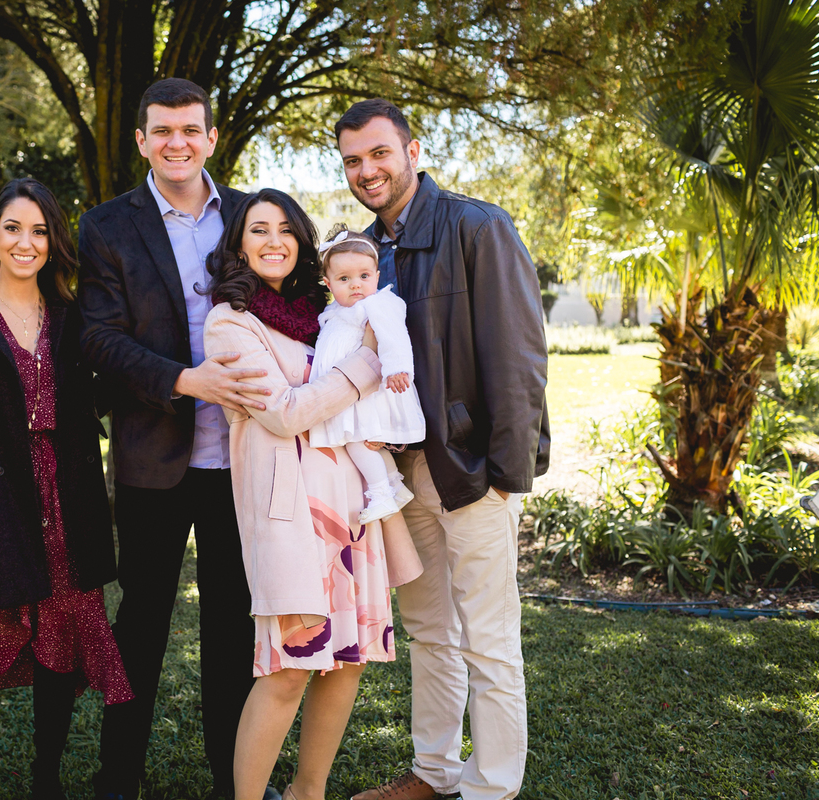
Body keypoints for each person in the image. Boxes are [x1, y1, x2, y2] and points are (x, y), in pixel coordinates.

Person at [337, 100, 550, 800]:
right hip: (402, 476)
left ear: (413, 151)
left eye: (379, 154)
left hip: (472, 471)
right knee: (430, 632)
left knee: (488, 639)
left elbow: (518, 358)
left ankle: (490, 789)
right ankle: (433, 772)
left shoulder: (477, 226)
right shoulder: (363, 256)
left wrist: (509, 473)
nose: (367, 170)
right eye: (353, 161)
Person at [78, 78, 279, 800]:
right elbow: (96, 338)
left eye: (190, 129)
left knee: (233, 625)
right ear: (141, 140)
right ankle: (119, 775)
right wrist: (183, 380)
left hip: (244, 460)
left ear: (211, 137)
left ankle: (235, 779)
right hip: (151, 460)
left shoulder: (252, 218)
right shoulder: (105, 226)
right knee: (141, 624)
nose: (177, 143)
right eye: (162, 131)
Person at [0, 178, 132, 800]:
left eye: (39, 231)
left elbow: (107, 392)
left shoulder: (72, 319)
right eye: (13, 228)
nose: (25, 242)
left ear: (53, 241)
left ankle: (47, 778)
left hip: (66, 505)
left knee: (59, 641)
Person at [203, 189, 398, 800]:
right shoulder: (230, 323)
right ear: (238, 243)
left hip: (349, 508)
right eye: (258, 229)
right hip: (287, 516)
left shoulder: (326, 310)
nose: (274, 240)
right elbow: (284, 414)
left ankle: (306, 793)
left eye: (286, 229)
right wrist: (365, 366)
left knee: (348, 660)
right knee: (289, 668)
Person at [308, 225, 425, 523]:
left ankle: (380, 494)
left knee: (357, 442)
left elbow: (394, 336)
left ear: (376, 276)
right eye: (344, 279)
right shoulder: (334, 312)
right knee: (366, 441)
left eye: (363, 276)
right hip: (349, 391)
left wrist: (398, 367)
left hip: (370, 392)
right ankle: (394, 485)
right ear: (328, 283)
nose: (356, 285)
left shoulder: (379, 303)